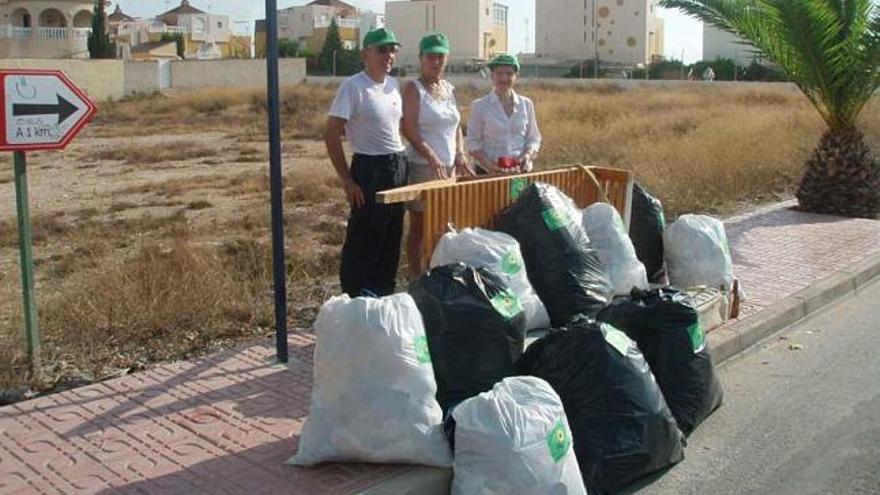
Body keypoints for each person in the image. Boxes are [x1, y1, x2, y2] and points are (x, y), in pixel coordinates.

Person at [325, 28, 408, 297]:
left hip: (397, 165)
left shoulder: (393, 86)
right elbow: (331, 134)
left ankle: (383, 295)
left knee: (391, 235)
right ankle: (356, 298)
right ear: (366, 54)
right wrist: (347, 180)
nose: (389, 55)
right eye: (382, 49)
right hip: (370, 169)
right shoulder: (354, 86)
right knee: (365, 236)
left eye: (393, 49)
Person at [401, 32, 474, 276]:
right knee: (420, 226)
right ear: (421, 59)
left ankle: (437, 272)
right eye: (431, 57)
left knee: (444, 223)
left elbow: (456, 128)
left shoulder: (449, 89)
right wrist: (432, 156)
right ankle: (416, 276)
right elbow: (408, 128)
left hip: (449, 168)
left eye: (440, 57)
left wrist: (460, 154)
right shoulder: (414, 89)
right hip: (423, 166)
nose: (436, 62)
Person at [466, 53, 542, 175]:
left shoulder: (526, 104)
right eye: (499, 73)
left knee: (518, 195)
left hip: (519, 172)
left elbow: (533, 138)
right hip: (488, 172)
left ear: (516, 76)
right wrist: (490, 165)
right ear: (492, 76)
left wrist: (527, 156)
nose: (504, 78)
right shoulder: (480, 106)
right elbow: (472, 142)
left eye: (509, 74)